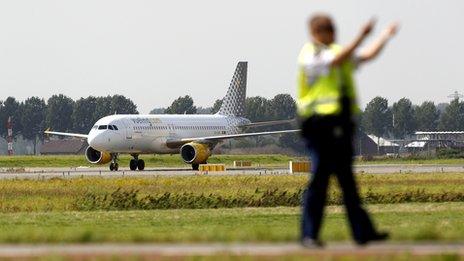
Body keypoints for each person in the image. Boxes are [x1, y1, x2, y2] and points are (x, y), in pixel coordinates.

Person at [297, 14, 398, 247]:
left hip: (340, 128)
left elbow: (367, 55)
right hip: (319, 127)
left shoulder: (338, 54)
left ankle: (363, 233)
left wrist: (384, 36)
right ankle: (309, 235)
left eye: (332, 29)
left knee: (348, 183)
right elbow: (335, 60)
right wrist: (361, 35)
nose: (331, 33)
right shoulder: (311, 54)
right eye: (325, 30)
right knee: (319, 182)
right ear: (315, 33)